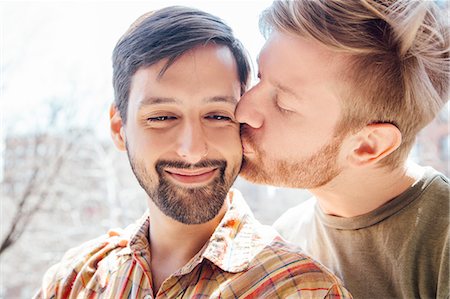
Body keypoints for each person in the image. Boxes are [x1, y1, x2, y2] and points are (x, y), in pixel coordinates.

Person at [34, 6, 353, 299]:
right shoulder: (73, 282)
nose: (192, 149)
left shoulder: (303, 291)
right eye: (162, 117)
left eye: (217, 115)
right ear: (119, 129)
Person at [235, 0, 449, 298]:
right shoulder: (286, 236)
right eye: (259, 77)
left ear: (367, 146)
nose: (242, 110)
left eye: (284, 105)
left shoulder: (442, 247)